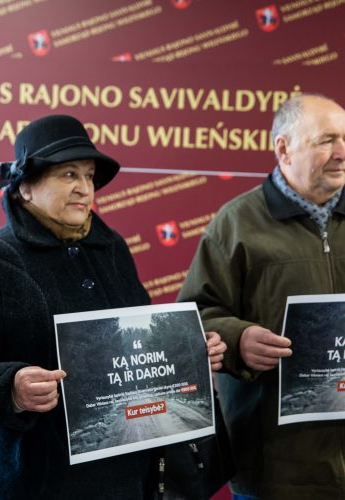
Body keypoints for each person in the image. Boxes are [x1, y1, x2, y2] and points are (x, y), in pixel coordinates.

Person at [0, 114, 226, 499]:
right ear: (25, 187)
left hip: (127, 477)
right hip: (36, 481)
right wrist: (11, 389)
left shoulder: (112, 247)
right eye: (69, 175)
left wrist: (189, 352)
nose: (85, 188)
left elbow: (140, 341)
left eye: (88, 176)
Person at [179, 94, 345, 499]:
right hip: (278, 466)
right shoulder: (234, 225)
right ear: (283, 149)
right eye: (326, 140)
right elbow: (195, 316)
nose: (341, 152)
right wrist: (238, 339)